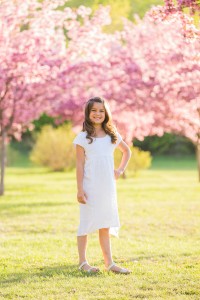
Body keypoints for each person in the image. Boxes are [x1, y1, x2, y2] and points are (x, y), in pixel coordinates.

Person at [73, 97, 132, 274]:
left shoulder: (112, 135)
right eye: (94, 110)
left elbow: (126, 151)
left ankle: (110, 263)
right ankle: (83, 262)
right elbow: (79, 165)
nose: (98, 114)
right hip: (89, 187)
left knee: (105, 223)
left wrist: (120, 170)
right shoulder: (82, 138)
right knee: (86, 223)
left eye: (101, 110)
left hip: (107, 188)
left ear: (106, 113)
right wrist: (79, 189)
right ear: (88, 113)